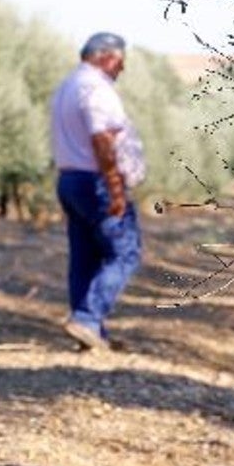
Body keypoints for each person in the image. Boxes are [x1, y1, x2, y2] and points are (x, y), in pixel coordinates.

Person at [50, 32, 146, 351]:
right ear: (106, 56)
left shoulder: (67, 86)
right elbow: (103, 140)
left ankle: (91, 334)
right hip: (96, 182)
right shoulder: (96, 89)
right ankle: (88, 319)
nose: (122, 68)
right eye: (120, 60)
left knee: (84, 257)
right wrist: (115, 188)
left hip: (70, 180)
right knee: (125, 252)